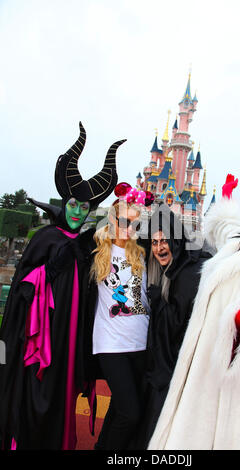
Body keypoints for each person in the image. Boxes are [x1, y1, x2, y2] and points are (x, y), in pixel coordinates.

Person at [0, 122, 125, 450]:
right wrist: (50, 270)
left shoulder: (87, 246)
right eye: (73, 205)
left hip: (69, 343)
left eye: (84, 208)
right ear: (64, 202)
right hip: (42, 341)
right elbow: (22, 291)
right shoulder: (46, 238)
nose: (77, 212)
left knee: (61, 399)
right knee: (34, 398)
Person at [148, 174, 240, 450]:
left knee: (216, 430)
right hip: (205, 356)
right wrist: (226, 199)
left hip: (224, 366)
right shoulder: (234, 248)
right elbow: (227, 227)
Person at [133, 203, 211, 449]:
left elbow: (177, 323)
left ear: (176, 241)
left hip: (174, 371)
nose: (159, 248)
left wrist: (158, 301)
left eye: (164, 241)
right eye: (155, 243)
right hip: (164, 367)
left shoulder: (187, 273)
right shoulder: (173, 267)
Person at [90, 182, 154, 451]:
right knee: (131, 413)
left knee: (120, 408)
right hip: (110, 344)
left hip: (140, 342)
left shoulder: (141, 253)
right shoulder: (95, 253)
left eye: (135, 225)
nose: (129, 229)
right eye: (124, 221)